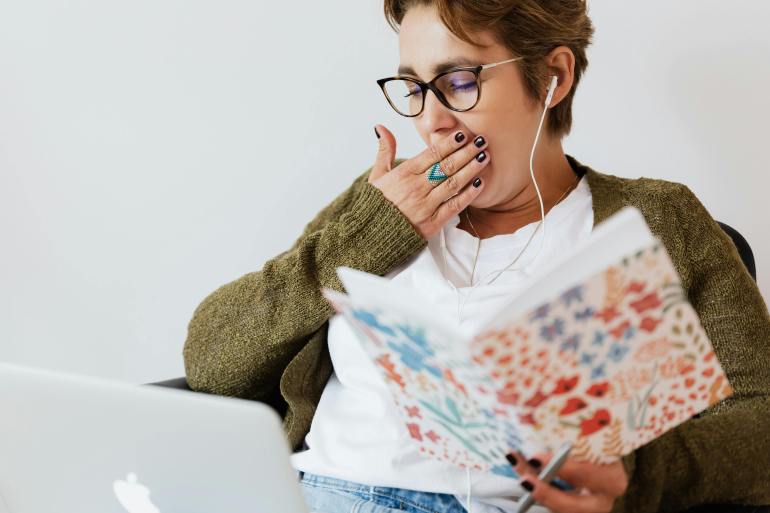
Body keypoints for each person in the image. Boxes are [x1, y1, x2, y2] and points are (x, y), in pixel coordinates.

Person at [181, 1, 770, 512]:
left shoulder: (656, 222)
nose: (432, 120)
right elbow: (211, 361)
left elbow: (760, 422)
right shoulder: (385, 203)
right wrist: (369, 235)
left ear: (552, 76)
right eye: (412, 87)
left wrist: (639, 478)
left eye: (460, 81)